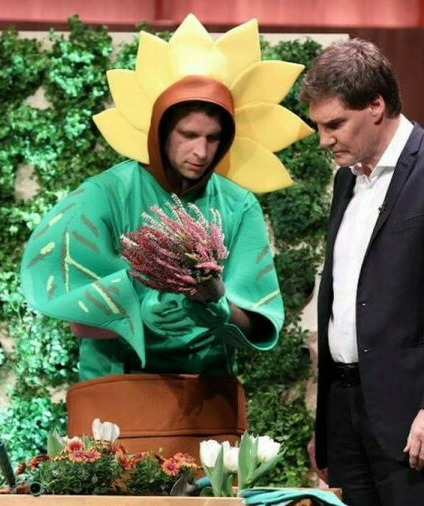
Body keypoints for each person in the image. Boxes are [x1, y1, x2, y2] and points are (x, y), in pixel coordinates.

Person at [19, 15, 312, 456]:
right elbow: (66, 296)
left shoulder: (238, 206)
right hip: (115, 398)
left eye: (214, 138)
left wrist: (218, 306)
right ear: (160, 131)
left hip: (203, 402)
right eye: (188, 135)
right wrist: (134, 312)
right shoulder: (104, 194)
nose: (201, 151)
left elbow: (259, 320)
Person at [300, 39, 424, 505]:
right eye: (319, 126)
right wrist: (330, 423)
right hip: (348, 410)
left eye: (334, 125)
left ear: (375, 106)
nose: (324, 139)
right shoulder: (346, 179)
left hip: (417, 417)